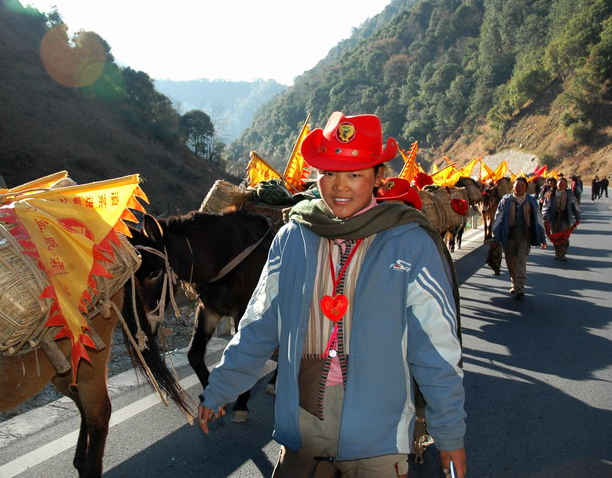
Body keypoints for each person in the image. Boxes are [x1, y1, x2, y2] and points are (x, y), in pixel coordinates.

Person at [197, 112, 467, 477]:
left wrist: (449, 432)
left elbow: (435, 348)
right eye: (328, 172)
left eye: (354, 174)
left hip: (379, 433)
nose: (339, 187)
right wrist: (221, 388)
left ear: (378, 177)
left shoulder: (409, 243)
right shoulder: (293, 237)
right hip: (304, 425)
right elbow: (259, 324)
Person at [490, 176, 547, 298]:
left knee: (521, 261)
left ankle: (520, 286)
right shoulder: (505, 201)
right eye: (516, 185)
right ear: (513, 187)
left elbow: (538, 219)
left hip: (524, 237)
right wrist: (495, 238)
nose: (519, 188)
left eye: (522, 185)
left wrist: (542, 238)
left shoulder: (531, 201)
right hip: (509, 236)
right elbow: (498, 220)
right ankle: (514, 282)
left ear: (526, 187)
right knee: (511, 263)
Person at [542, 177, 581, 261]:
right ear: (556, 184)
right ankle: (557, 252)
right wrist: (545, 217)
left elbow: (575, 206)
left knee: (564, 235)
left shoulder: (570, 194)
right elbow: (545, 207)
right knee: (555, 235)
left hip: (565, 217)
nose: (561, 184)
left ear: (566, 185)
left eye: (563, 183)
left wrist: (578, 217)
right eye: (560, 183)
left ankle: (563, 253)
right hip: (554, 217)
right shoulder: (550, 193)